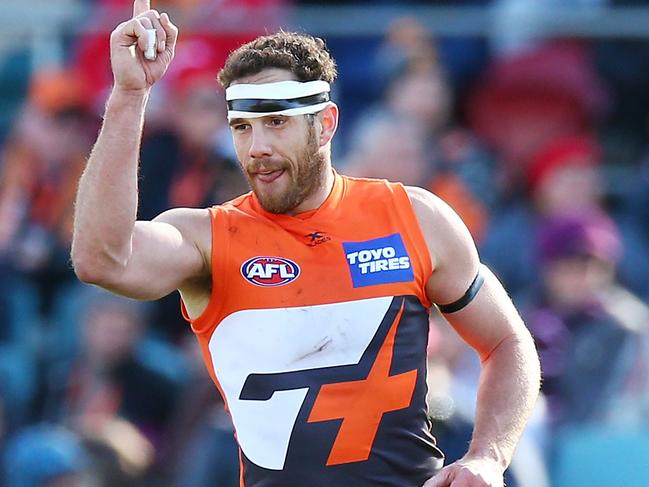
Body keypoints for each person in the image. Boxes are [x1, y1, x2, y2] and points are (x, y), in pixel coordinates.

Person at [70, 1, 541, 485]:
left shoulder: (415, 217)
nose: (258, 148)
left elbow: (508, 342)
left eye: (276, 121)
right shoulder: (208, 238)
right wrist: (130, 94)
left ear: (327, 123)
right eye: (242, 127)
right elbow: (100, 259)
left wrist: (488, 454)